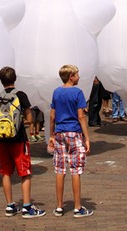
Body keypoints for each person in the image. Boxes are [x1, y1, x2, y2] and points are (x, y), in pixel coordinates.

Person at [0, 66, 45, 218]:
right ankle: (27, 207)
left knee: (5, 172)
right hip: (18, 139)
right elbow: (30, 119)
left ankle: (10, 205)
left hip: (3, 139)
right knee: (25, 173)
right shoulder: (20, 95)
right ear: (14, 79)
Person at [48, 64, 93, 218]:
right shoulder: (78, 93)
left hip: (60, 132)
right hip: (74, 132)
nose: (79, 77)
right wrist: (87, 138)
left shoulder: (56, 92)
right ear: (71, 77)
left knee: (60, 169)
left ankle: (59, 207)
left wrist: (51, 134)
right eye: (77, 74)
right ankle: (77, 207)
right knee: (75, 170)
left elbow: (52, 115)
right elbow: (81, 116)